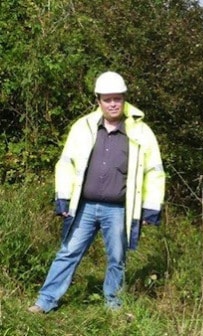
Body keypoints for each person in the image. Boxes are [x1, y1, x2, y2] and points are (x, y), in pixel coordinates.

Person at [28, 71, 166, 313]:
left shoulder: (141, 132)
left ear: (124, 99)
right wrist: (62, 198)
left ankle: (113, 304)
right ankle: (45, 301)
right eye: (107, 99)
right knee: (68, 252)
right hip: (85, 207)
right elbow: (66, 163)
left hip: (119, 210)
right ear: (98, 100)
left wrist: (151, 207)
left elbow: (154, 171)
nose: (112, 104)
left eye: (117, 98)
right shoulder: (83, 127)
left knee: (117, 258)